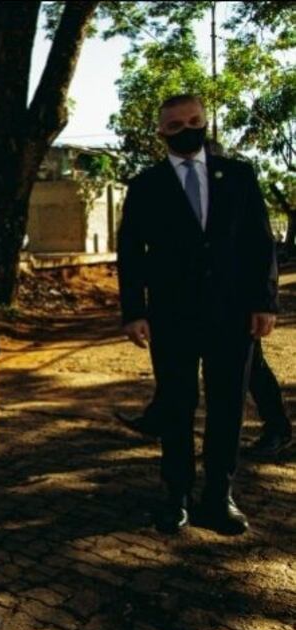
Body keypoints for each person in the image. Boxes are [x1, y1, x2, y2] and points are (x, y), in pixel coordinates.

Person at [117, 94, 278, 536]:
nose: (187, 130)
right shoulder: (146, 185)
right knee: (176, 404)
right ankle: (176, 494)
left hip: (233, 314)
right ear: (160, 133)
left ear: (206, 122)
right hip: (172, 317)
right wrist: (134, 312)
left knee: (228, 406)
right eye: (175, 125)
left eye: (194, 121)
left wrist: (265, 302)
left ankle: (219, 496)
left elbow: (260, 244)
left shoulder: (239, 176)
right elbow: (130, 252)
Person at [114, 339, 292, 458]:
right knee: (178, 361)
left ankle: (278, 428)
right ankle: (158, 417)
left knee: (252, 362)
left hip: (234, 301)